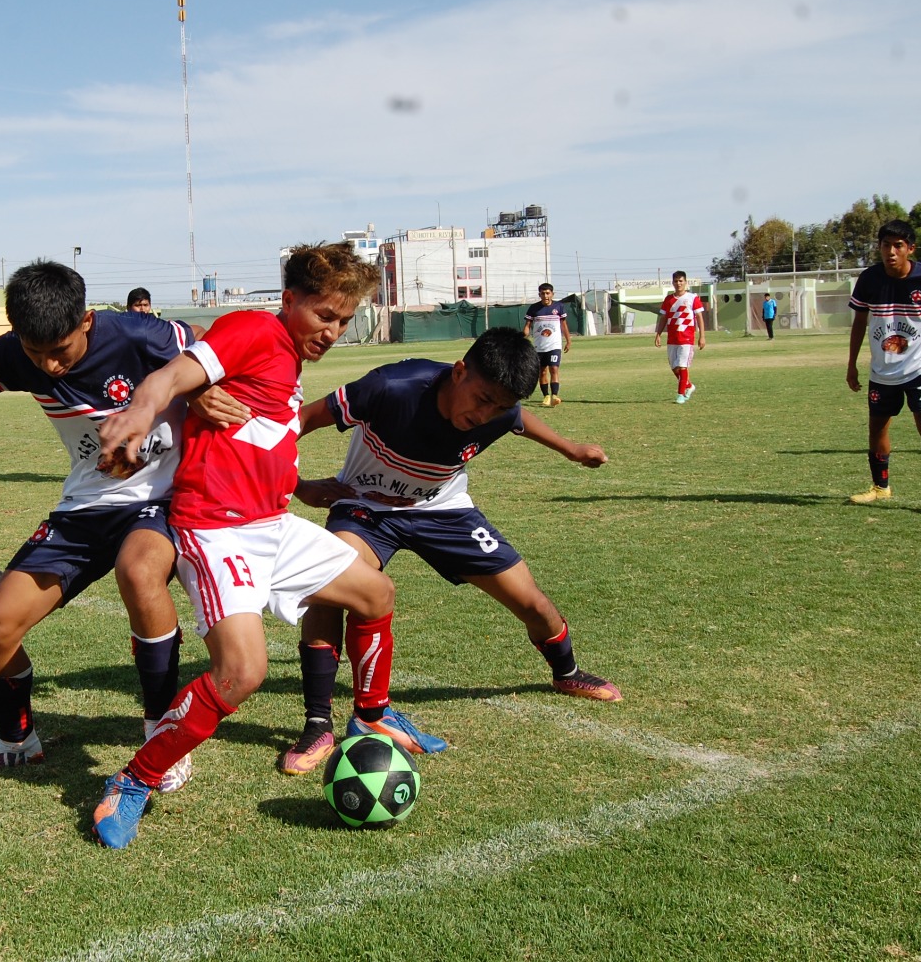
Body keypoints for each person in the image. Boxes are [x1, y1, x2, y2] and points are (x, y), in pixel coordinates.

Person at [90, 241, 443, 849]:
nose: (333, 331)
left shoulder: (286, 360)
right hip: (214, 528)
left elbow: (255, 435)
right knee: (242, 672)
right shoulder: (255, 329)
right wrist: (141, 411)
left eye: (344, 320)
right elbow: (172, 374)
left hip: (271, 523)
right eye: (324, 315)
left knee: (375, 591)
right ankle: (134, 779)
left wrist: (299, 484)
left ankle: (372, 717)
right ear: (289, 301)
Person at [0, 260, 246, 791]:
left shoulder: (135, 332)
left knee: (139, 572)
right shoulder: (18, 354)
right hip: (88, 505)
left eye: (59, 351)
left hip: (165, 495)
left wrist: (200, 384)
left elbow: (205, 341)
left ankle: (161, 734)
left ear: (86, 321)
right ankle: (19, 743)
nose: (50, 365)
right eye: (36, 353)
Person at [279, 328, 621, 774]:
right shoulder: (390, 387)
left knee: (533, 602)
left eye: (498, 406)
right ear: (459, 372)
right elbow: (297, 421)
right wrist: (298, 486)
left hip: (445, 511)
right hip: (366, 507)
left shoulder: (500, 410)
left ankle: (567, 672)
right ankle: (319, 723)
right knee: (334, 585)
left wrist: (572, 449)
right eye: (482, 399)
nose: (486, 415)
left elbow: (518, 419)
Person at [845, 220, 921, 516]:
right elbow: (859, 321)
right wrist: (851, 364)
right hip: (883, 369)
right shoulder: (869, 279)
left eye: (898, 246)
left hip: (920, 367)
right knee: (877, 428)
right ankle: (880, 487)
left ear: (910, 249)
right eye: (886, 245)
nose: (891, 251)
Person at [653, 271, 706, 403]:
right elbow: (663, 318)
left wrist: (702, 336)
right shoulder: (668, 299)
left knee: (682, 366)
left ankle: (681, 394)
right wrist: (658, 334)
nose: (678, 283)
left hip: (686, 338)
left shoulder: (693, 298)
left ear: (685, 282)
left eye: (681, 281)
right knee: (674, 367)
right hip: (672, 338)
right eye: (676, 281)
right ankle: (689, 385)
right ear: (673, 283)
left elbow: (699, 317)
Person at [523, 283, 571, 406]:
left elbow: (564, 325)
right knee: (542, 371)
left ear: (552, 294)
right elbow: (527, 326)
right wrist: (523, 337)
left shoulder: (559, 307)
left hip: (554, 345)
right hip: (539, 346)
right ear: (539, 295)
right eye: (543, 293)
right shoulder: (534, 308)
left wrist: (568, 340)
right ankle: (546, 396)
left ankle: (555, 395)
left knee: (554, 368)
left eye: (548, 293)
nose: (545, 295)